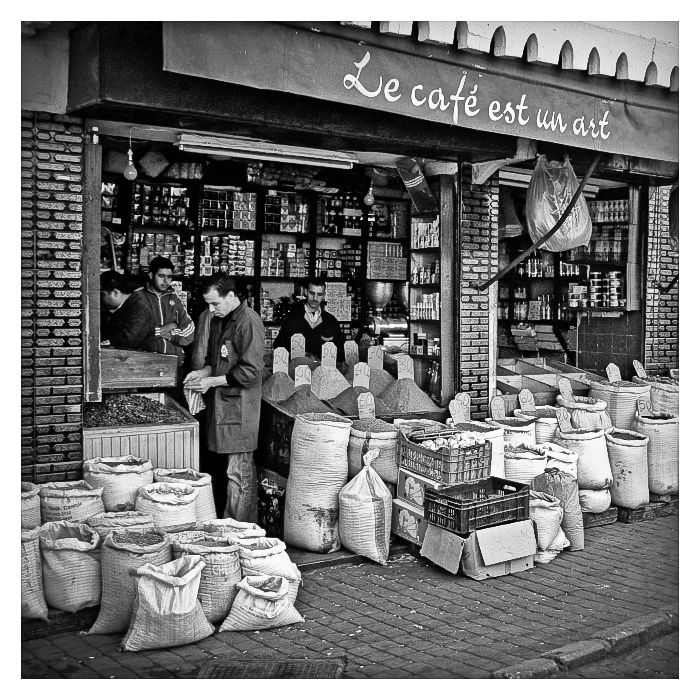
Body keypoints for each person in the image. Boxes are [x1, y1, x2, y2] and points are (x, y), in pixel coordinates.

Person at [183, 273, 265, 522]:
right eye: (208, 303)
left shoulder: (248, 322)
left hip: (241, 410)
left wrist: (211, 381)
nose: (210, 309)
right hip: (222, 407)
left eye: (215, 303)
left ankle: (238, 530)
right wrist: (202, 372)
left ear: (231, 296)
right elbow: (213, 362)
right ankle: (228, 523)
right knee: (226, 473)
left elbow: (250, 371)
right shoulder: (219, 319)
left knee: (239, 474)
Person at [134, 256, 195, 365]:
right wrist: (169, 326)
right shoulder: (138, 297)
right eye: (161, 276)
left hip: (173, 361)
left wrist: (172, 334)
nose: (166, 281)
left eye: (169, 277)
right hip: (144, 362)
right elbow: (134, 334)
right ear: (151, 275)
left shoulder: (174, 298)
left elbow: (190, 331)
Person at [272, 277, 346, 363]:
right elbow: (278, 347)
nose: (315, 298)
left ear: (324, 295)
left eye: (319, 294)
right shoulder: (292, 319)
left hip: (322, 372)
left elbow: (341, 352)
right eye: (312, 293)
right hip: (296, 372)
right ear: (306, 292)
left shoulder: (331, 321)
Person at [100, 270, 158, 352]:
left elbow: (128, 340)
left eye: (103, 295)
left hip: (137, 360)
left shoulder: (139, 309)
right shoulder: (120, 307)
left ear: (116, 293)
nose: (101, 299)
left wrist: (105, 340)